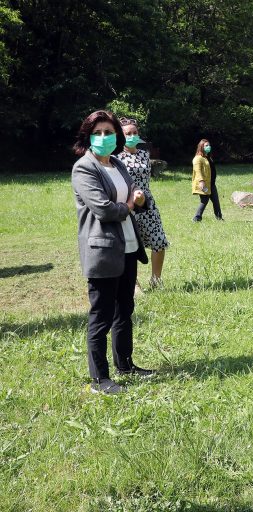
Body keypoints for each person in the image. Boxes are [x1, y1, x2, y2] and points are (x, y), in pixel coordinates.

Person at [71, 110, 156, 394]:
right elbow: (104, 210)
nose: (104, 137)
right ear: (88, 137)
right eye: (98, 133)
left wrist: (139, 199)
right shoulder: (84, 168)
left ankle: (126, 364)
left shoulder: (117, 163)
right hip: (103, 251)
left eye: (109, 132)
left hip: (128, 247)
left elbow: (132, 193)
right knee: (101, 316)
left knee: (125, 310)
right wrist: (131, 204)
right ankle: (99, 379)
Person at [117, 118, 169, 289]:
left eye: (134, 133)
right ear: (121, 136)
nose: (132, 136)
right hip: (128, 204)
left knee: (159, 241)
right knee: (130, 246)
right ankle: (134, 284)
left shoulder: (144, 154)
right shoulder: (116, 157)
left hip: (147, 203)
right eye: (128, 133)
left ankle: (156, 280)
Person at [192, 139, 223, 221]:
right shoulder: (198, 158)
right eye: (206, 146)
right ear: (201, 147)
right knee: (204, 201)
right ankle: (196, 218)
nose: (208, 147)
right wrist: (201, 181)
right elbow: (197, 171)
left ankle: (219, 218)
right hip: (204, 184)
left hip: (211, 184)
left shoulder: (208, 157)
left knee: (216, 202)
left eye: (209, 145)